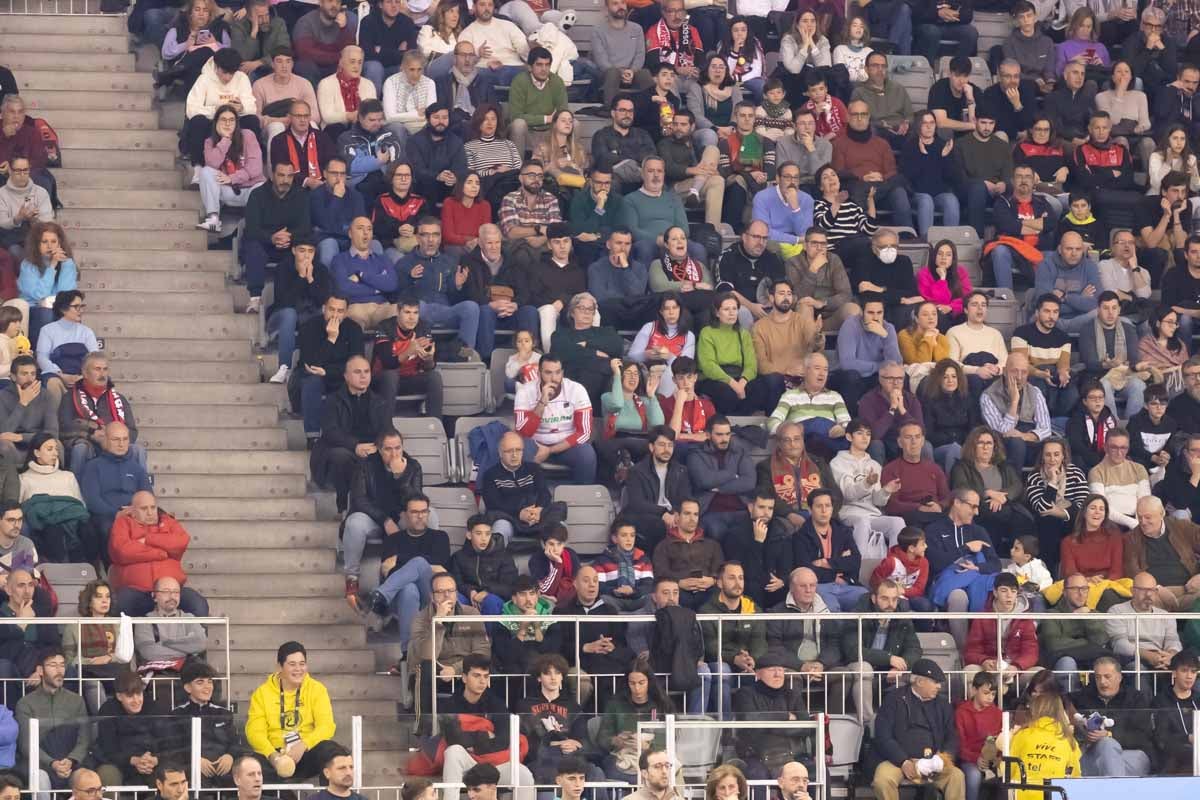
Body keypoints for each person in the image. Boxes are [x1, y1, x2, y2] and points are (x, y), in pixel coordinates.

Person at [869, 658, 965, 800]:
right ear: (919, 682)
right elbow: (883, 736)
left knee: (957, 776)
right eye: (935, 682)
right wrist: (903, 761)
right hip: (898, 762)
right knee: (882, 780)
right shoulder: (893, 699)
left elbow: (952, 737)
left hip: (934, 762)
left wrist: (941, 759)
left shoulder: (943, 704)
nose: (939, 686)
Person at [340, 430, 426, 584]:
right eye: (388, 449)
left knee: (427, 516)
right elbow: (359, 500)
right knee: (354, 523)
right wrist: (385, 520)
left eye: (398, 448)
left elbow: (417, 501)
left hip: (400, 516)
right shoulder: (365, 465)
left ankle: (424, 571)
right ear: (379, 450)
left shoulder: (413, 466)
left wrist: (401, 478)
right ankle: (352, 578)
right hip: (373, 517)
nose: (394, 454)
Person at [245, 642, 339, 782]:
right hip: (275, 755)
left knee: (331, 751)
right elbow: (255, 732)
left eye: (302, 664)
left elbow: (326, 726)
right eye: (292, 664)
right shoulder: (262, 693)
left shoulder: (317, 689)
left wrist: (303, 745)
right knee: (251, 764)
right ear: (279, 667)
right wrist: (273, 755)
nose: (298, 669)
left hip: (306, 752)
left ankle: (329, 793)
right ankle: (282, 793)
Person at [309, 355, 392, 513]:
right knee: (341, 457)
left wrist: (378, 447)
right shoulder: (333, 401)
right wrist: (355, 446)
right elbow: (330, 432)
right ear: (346, 376)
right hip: (341, 449)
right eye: (357, 372)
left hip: (371, 449)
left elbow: (387, 430)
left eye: (366, 372)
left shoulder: (380, 402)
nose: (363, 376)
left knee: (400, 457)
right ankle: (343, 507)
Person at [108, 490, 208, 617]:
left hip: (172, 592)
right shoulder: (123, 523)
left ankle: (195, 632)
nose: (150, 513)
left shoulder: (169, 522)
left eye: (153, 507)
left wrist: (147, 539)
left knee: (198, 604)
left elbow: (181, 541)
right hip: (137, 591)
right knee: (121, 603)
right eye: (144, 509)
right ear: (132, 511)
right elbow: (122, 551)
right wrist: (161, 552)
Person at [407, 572, 491, 717]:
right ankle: (425, 725)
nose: (447, 596)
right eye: (440, 592)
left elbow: (482, 651)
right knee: (425, 668)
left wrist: (455, 669)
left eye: (450, 591)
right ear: (432, 596)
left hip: (464, 669)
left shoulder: (471, 614)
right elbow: (427, 655)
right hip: (432, 670)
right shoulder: (420, 619)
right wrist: (438, 622)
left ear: (456, 593)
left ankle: (482, 722)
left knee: (482, 669)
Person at [241, 162, 312, 314]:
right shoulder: (257, 195)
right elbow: (252, 229)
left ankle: (295, 303)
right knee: (253, 247)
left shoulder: (301, 196)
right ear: (272, 176)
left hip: (289, 244)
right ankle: (255, 298)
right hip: (263, 243)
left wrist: (289, 237)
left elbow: (306, 227)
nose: (285, 180)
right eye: (281, 175)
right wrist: (271, 238)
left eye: (289, 176)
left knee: (305, 248)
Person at [16, 649, 89, 792]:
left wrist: (72, 760)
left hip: (72, 764)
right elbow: (26, 744)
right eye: (53, 665)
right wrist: (52, 763)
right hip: (40, 765)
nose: (59, 670)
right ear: (40, 670)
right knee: (40, 778)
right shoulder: (25, 704)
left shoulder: (77, 701)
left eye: (62, 665)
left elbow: (84, 738)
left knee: (87, 778)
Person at [831, 418, 905, 557]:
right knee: (863, 522)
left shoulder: (874, 465)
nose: (865, 438)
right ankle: (859, 566)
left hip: (872, 515)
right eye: (860, 433)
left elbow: (878, 502)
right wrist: (867, 483)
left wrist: (886, 490)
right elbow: (848, 494)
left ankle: (895, 565)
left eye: (868, 434)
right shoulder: (838, 463)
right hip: (849, 513)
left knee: (897, 522)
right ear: (849, 437)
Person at [479, 430, 567, 544]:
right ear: (500, 453)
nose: (514, 455)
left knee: (559, 519)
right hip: (509, 518)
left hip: (536, 517)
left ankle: (555, 555)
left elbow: (544, 494)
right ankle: (496, 554)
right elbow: (493, 504)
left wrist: (538, 510)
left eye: (518, 450)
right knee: (500, 525)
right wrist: (519, 513)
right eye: (509, 451)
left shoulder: (534, 469)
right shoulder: (490, 475)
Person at [1069, 656, 1153, 776]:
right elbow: (1060, 701)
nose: (1102, 682)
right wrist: (1084, 734)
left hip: (1131, 753)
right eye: (1098, 677)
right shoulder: (1082, 698)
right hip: (1093, 754)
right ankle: (1116, 786)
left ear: (1119, 677)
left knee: (1107, 746)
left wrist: (1109, 734)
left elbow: (1142, 736)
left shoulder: (1136, 698)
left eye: (1107, 676)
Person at [697, 293, 777, 414]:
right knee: (727, 393)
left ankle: (742, 419)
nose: (732, 313)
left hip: (739, 376)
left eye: (734, 309)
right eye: (726, 309)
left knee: (762, 388)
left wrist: (742, 383)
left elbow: (751, 365)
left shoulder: (743, 333)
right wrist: (734, 385)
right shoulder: (707, 333)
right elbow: (708, 366)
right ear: (717, 313)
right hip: (716, 378)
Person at [181, 51, 260, 169]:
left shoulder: (242, 78)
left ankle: (250, 165)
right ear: (216, 67)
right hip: (211, 122)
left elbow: (252, 107)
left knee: (252, 120)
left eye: (231, 73)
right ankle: (198, 167)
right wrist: (217, 110)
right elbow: (191, 109)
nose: (228, 78)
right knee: (197, 122)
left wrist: (241, 107)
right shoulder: (204, 79)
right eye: (224, 72)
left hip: (234, 122)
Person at [94, 669, 169, 789]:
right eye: (130, 696)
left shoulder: (154, 707)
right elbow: (108, 748)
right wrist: (133, 760)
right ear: (119, 696)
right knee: (107, 773)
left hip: (151, 762)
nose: (136, 700)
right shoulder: (108, 710)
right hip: (119, 763)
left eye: (139, 694)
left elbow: (167, 742)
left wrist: (155, 759)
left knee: (169, 773)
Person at [169, 661, 240, 787]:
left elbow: (235, 742)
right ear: (188, 687)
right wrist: (195, 759)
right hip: (191, 768)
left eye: (209, 682)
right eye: (200, 682)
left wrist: (230, 756)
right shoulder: (177, 714)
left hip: (223, 768)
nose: (207, 687)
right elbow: (173, 747)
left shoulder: (223, 713)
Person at [1025, 439, 1089, 576]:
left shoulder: (1075, 474)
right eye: (1048, 455)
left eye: (1056, 454)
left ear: (1063, 456)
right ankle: (1049, 575)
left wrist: (1060, 513)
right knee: (1049, 521)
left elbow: (1083, 506)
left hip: (1071, 521)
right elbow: (1042, 508)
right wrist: (1052, 482)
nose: (1052, 459)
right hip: (1046, 525)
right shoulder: (1034, 476)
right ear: (1042, 457)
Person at [988, 163, 1058, 290]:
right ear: (1013, 181)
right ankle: (1006, 296)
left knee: (1056, 257)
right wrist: (1038, 225)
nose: (1023, 180)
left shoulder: (1042, 202)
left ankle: (1045, 298)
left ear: (1033, 181)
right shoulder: (1003, 202)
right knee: (999, 251)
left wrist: (1019, 222)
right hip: (1013, 252)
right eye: (1019, 176)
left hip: (1040, 251)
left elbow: (1050, 223)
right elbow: (1008, 226)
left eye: (1027, 177)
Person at [622, 426, 693, 550]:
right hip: (646, 515)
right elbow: (637, 503)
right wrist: (662, 513)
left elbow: (685, 498)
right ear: (651, 447)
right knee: (658, 526)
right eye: (662, 445)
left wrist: (677, 513)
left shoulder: (681, 470)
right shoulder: (637, 471)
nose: (667, 450)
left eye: (670, 445)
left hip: (672, 514)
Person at [796, 488, 866, 611]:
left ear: (832, 508)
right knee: (832, 608)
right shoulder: (801, 536)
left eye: (827, 506)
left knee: (866, 598)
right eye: (819, 506)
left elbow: (855, 561)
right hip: (818, 586)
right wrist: (834, 574)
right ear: (810, 509)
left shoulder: (843, 531)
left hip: (845, 584)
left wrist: (825, 562)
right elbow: (805, 568)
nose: (824, 510)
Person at [79, 421, 152, 535]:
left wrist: (135, 510)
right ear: (106, 440)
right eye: (116, 439)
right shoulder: (93, 467)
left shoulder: (137, 468)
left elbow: (148, 495)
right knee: (107, 528)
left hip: (135, 515)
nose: (121, 444)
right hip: (106, 518)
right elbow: (92, 501)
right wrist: (116, 514)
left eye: (125, 439)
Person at [900, 112, 960, 238]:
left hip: (939, 194)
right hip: (916, 194)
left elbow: (953, 177)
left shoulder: (943, 145)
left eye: (932, 123)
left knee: (951, 200)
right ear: (918, 126)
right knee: (926, 200)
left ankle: (950, 242)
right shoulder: (910, 146)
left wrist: (945, 157)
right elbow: (908, 176)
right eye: (925, 123)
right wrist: (923, 156)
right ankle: (926, 240)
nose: (929, 127)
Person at [858, 363, 927, 464]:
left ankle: (924, 473)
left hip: (906, 441)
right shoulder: (868, 400)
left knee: (925, 445)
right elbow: (874, 434)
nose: (896, 383)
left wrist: (902, 409)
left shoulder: (911, 399)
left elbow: (921, 431)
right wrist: (892, 409)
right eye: (890, 379)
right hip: (883, 442)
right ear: (880, 379)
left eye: (900, 378)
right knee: (875, 445)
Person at [132, 575, 207, 665]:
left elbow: (201, 644)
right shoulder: (144, 621)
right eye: (166, 591)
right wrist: (188, 653)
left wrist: (164, 643)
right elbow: (149, 652)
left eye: (176, 592)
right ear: (154, 596)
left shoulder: (189, 617)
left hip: (187, 671)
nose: (172, 596)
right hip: (156, 672)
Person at [591, 0, 652, 105]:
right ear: (607, 8)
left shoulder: (637, 29)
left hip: (632, 73)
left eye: (623, 2)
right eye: (615, 3)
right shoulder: (598, 31)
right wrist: (621, 72)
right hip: (608, 74)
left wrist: (632, 71)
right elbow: (601, 61)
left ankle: (652, 110)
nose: (621, 6)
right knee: (612, 73)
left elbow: (640, 54)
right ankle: (610, 109)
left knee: (645, 74)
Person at [1087, 429, 1150, 530]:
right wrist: (1132, 523)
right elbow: (1101, 507)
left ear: (1128, 448)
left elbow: (1145, 501)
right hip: (1110, 522)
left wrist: (1139, 524)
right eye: (1114, 447)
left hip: (1138, 520)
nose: (1119, 453)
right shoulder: (1096, 472)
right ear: (1105, 447)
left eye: (1123, 448)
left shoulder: (1139, 469)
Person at [591, 95, 657, 189]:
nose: (627, 115)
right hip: (614, 180)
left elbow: (651, 157)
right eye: (623, 110)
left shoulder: (642, 134)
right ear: (613, 113)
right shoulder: (601, 135)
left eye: (630, 111)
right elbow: (603, 160)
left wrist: (618, 153)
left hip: (640, 179)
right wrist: (635, 157)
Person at [850, 52, 913, 144]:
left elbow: (910, 115)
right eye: (875, 66)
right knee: (871, 130)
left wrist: (906, 123)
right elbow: (859, 119)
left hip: (901, 132)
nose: (880, 69)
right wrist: (882, 125)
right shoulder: (859, 92)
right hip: (877, 132)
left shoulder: (898, 88)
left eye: (883, 66)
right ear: (866, 69)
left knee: (921, 126)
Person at [268, 100, 333, 185]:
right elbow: (280, 171)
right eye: (298, 116)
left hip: (321, 185)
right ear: (289, 117)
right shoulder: (278, 141)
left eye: (306, 116)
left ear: (310, 117)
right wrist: (306, 181)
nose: (303, 120)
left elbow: (331, 164)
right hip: (291, 187)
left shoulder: (323, 137)